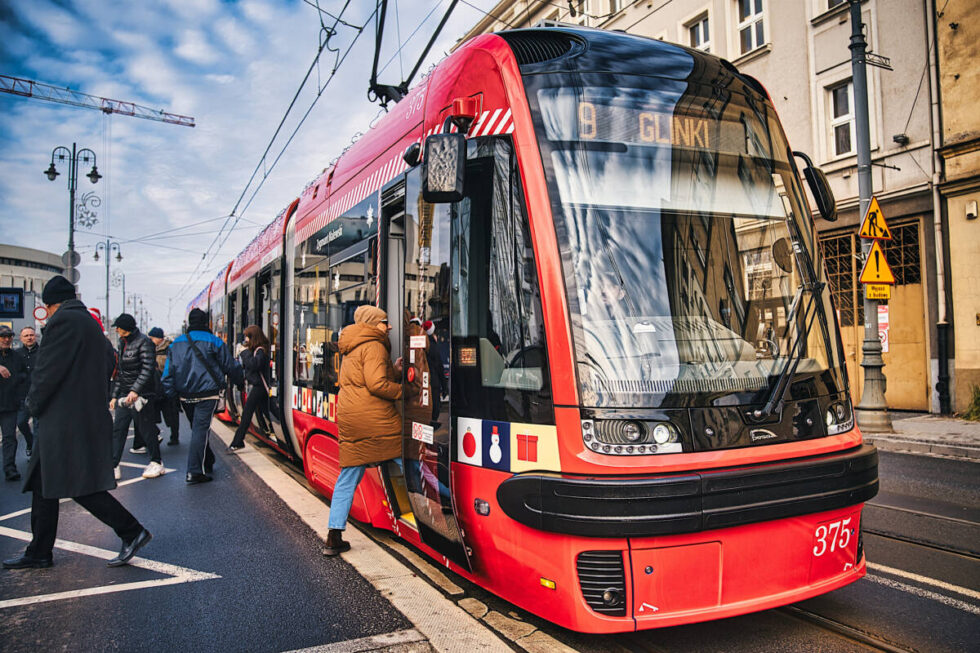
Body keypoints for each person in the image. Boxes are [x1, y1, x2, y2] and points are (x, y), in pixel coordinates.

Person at [2, 275, 151, 570]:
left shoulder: (63, 322)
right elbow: (110, 362)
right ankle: (39, 551)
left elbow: (46, 371)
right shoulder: (91, 325)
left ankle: (132, 530)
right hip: (81, 414)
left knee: (76, 482)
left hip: (62, 418)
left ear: (52, 303)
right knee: (43, 483)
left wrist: (32, 405)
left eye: (48, 307)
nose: (48, 312)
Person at [323, 305, 402, 556]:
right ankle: (441, 509)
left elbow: (364, 375)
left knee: (348, 476)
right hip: (373, 417)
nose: (388, 326)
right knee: (408, 459)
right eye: (384, 322)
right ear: (371, 323)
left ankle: (334, 535)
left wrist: (395, 371)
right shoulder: (375, 345)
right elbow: (376, 383)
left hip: (350, 415)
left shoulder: (353, 344)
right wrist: (404, 392)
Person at [162, 308, 242, 484]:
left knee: (196, 428)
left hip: (185, 395)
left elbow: (167, 374)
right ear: (206, 323)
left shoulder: (175, 344)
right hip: (208, 394)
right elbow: (230, 366)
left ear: (189, 323)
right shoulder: (214, 341)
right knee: (200, 430)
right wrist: (240, 383)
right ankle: (194, 471)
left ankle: (208, 459)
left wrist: (172, 396)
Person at [110, 313, 164, 480]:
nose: (117, 330)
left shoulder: (144, 342)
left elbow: (148, 368)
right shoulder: (122, 342)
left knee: (146, 429)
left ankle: (157, 462)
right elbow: (121, 372)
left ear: (125, 328)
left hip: (142, 395)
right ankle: (113, 465)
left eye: (118, 327)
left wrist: (136, 390)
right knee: (118, 429)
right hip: (126, 395)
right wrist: (114, 395)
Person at [228, 325, 271, 452]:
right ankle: (271, 430)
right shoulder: (259, 349)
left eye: (247, 336)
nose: (245, 339)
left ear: (253, 337)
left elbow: (254, 365)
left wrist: (244, 352)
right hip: (259, 386)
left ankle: (237, 441)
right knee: (266, 410)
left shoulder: (260, 350)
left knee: (247, 413)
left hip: (259, 387)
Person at [0, 325, 28, 481]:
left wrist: (19, 391)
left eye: (9, 336)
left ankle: (10, 468)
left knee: (10, 438)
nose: (6, 339)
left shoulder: (16, 357)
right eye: (3, 336)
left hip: (10, 404)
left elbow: (25, 375)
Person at [147, 326, 180, 446]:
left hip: (168, 387)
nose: (149, 340)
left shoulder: (170, 349)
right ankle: (155, 435)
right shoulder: (149, 349)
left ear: (158, 338)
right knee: (152, 414)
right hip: (155, 388)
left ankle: (174, 436)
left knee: (172, 414)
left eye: (151, 338)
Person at [15, 326, 39, 458]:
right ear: (21, 338)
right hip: (22, 395)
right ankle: (30, 443)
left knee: (38, 426)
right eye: (26, 336)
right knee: (21, 422)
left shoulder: (42, 352)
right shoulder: (16, 354)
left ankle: (35, 455)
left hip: (38, 395)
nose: (29, 338)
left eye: (31, 335)